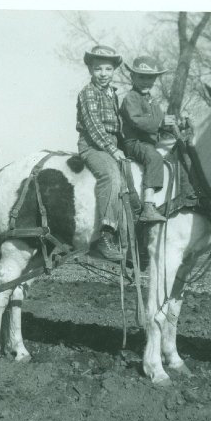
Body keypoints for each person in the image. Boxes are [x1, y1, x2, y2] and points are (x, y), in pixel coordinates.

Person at [76, 44, 124, 262]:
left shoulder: (113, 94)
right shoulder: (87, 93)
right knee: (110, 174)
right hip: (93, 146)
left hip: (111, 144)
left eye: (107, 69)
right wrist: (113, 150)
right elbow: (94, 127)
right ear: (90, 71)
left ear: (114, 71)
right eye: (98, 69)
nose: (103, 74)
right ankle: (104, 236)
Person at [120, 55, 175, 223]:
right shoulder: (131, 98)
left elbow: (161, 121)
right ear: (132, 77)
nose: (146, 81)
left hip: (150, 142)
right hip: (134, 143)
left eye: (150, 78)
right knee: (154, 157)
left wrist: (176, 122)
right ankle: (148, 205)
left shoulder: (152, 100)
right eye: (141, 77)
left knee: (178, 150)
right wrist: (161, 122)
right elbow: (136, 120)